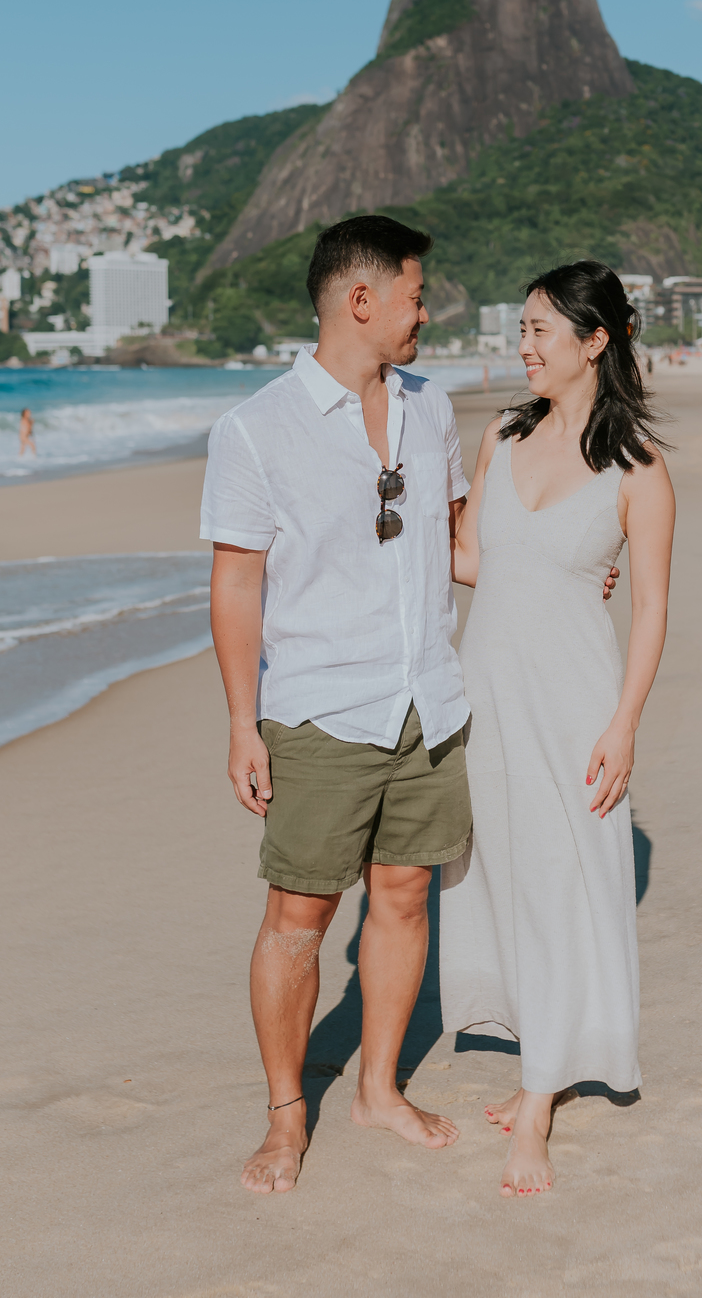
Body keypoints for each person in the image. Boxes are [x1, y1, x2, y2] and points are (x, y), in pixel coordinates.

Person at [201, 216, 475, 1196]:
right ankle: (285, 1117)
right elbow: (236, 585)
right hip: (320, 711)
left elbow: (452, 541)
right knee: (299, 920)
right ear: (360, 300)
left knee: (403, 898)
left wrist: (561, 574)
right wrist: (244, 721)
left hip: (429, 701)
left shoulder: (431, 407)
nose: (425, 309)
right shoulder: (254, 429)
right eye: (414, 292)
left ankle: (377, 1089)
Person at [441, 261, 676, 1199]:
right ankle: (546, 1051)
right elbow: (472, 560)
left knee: (559, 876)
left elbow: (653, 608)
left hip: (575, 703)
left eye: (543, 330)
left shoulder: (640, 469)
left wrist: (625, 723)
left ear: (595, 341)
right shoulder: (501, 434)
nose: (525, 345)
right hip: (484, 694)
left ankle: (538, 1100)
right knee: (499, 869)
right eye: (523, 327)